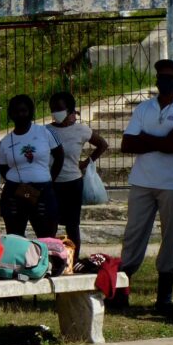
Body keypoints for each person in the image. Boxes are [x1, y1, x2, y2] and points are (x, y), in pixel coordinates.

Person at [117, 58, 173, 312]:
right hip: (142, 180)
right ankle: (121, 291)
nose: (163, 81)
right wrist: (162, 141)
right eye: (160, 77)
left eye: (168, 77)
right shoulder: (143, 108)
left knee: (171, 236)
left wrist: (146, 139)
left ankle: (163, 297)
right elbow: (127, 144)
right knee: (133, 235)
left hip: (172, 182)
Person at [46, 92, 108, 257]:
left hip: (73, 183)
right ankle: (49, 259)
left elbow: (102, 144)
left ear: (69, 110)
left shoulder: (81, 130)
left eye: (59, 108)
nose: (55, 112)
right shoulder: (46, 131)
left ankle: (73, 260)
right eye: (52, 109)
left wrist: (86, 162)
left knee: (72, 225)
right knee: (49, 225)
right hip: (51, 183)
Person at [0, 94, 64, 239]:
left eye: (24, 110)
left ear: (31, 112)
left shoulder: (45, 132)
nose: (20, 114)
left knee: (47, 238)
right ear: (10, 114)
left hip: (43, 191)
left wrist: (49, 179)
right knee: (15, 238)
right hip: (14, 192)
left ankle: (47, 262)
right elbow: (2, 167)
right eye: (16, 111)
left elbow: (59, 156)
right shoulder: (5, 142)